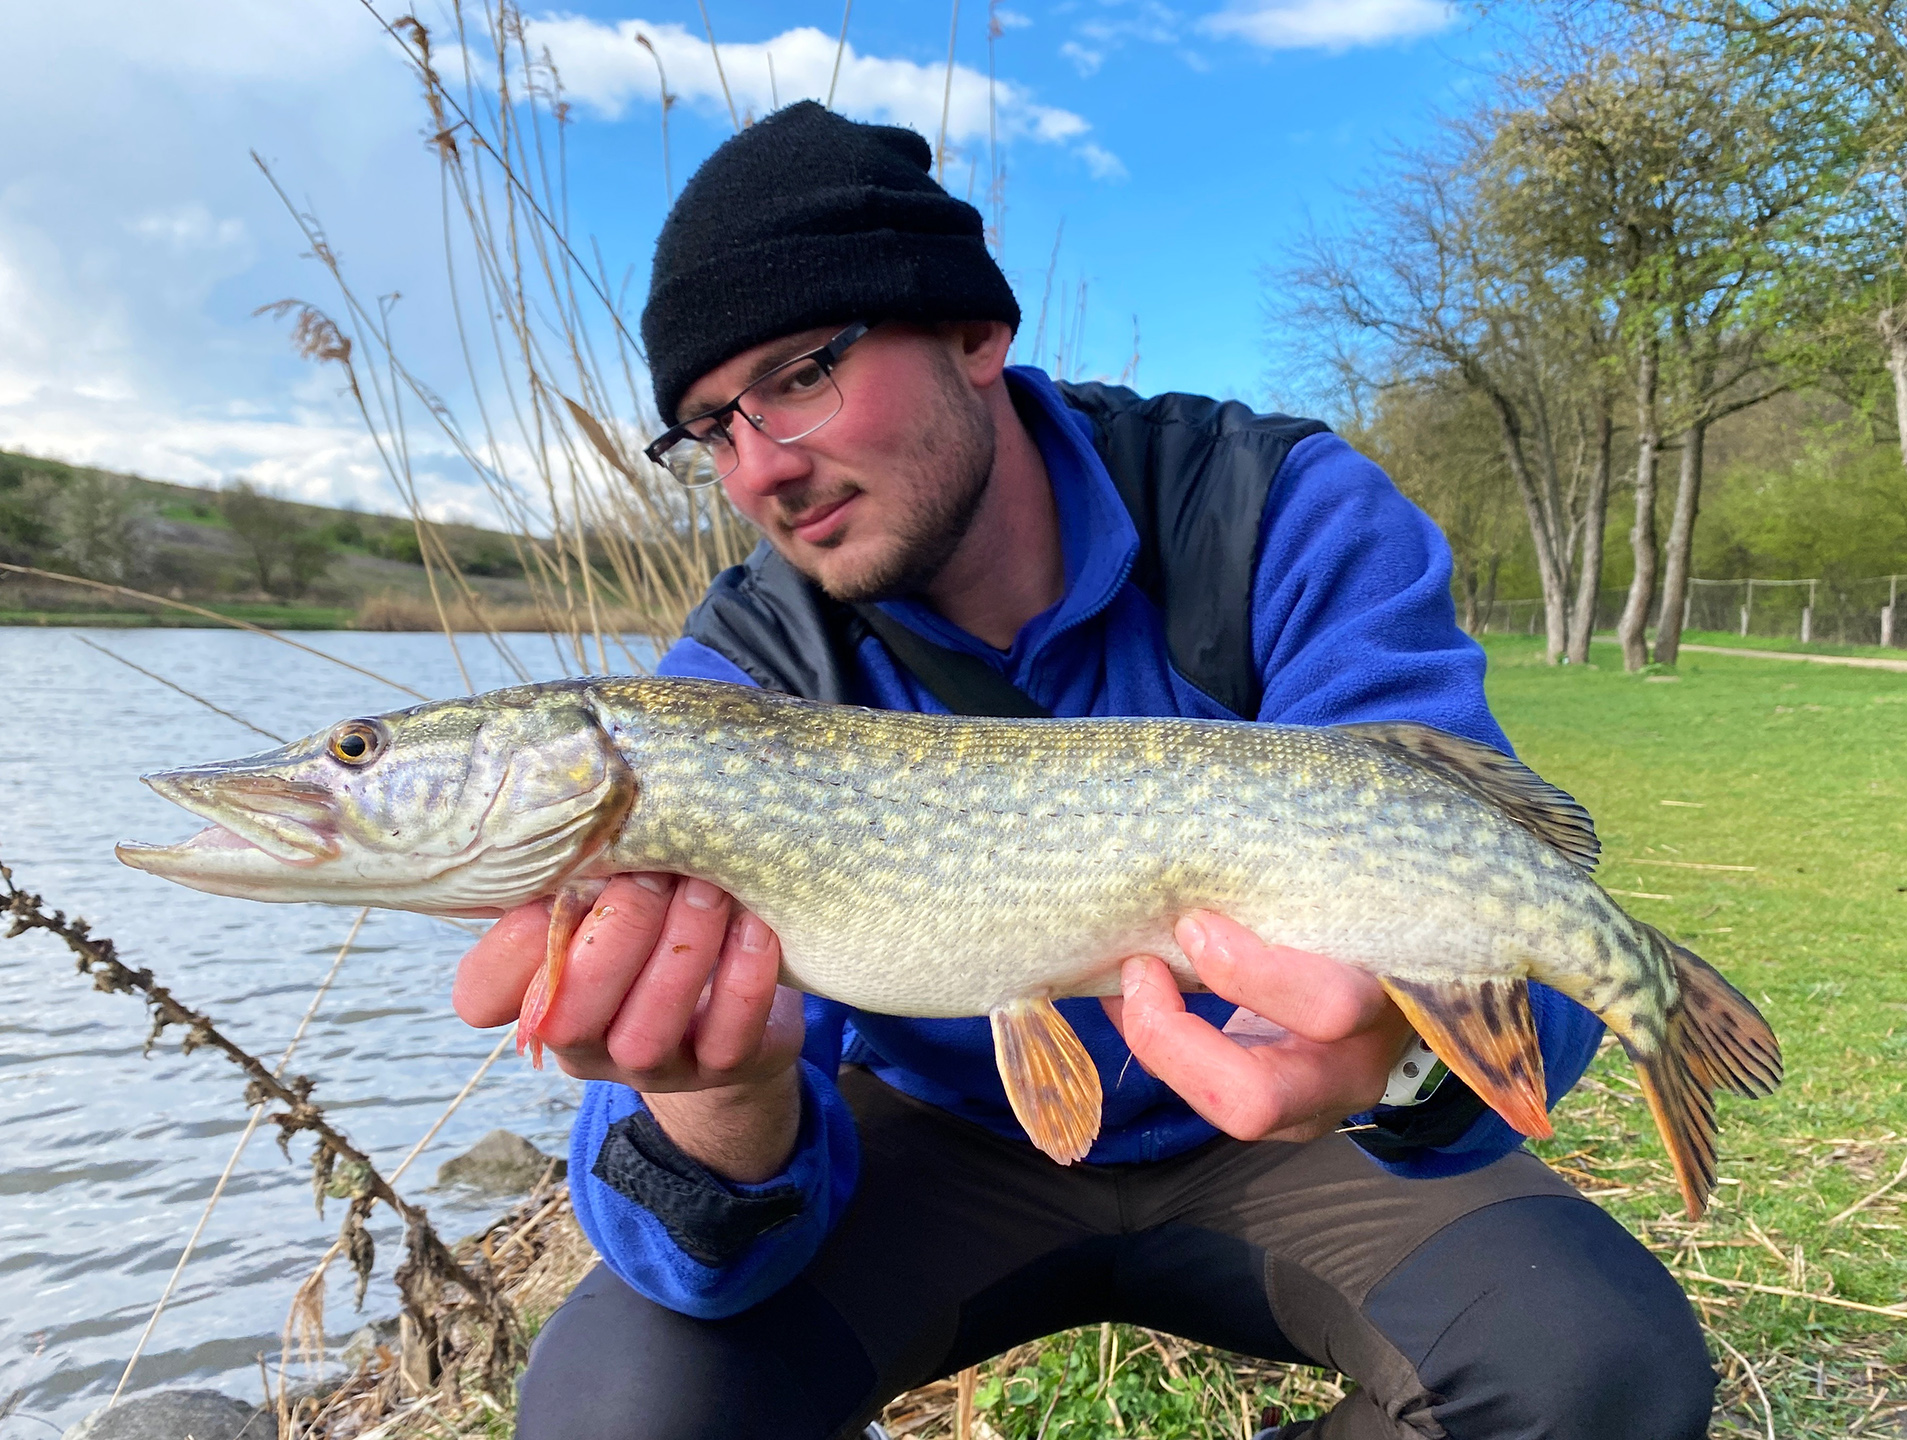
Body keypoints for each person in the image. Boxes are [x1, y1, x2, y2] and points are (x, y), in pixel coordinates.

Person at [452, 102, 1715, 1439]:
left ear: (974, 333)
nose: (761, 465)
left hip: (1275, 1142)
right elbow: (694, 1261)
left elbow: (1503, 923)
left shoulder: (1273, 512)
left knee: (1599, 1372)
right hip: (934, 1148)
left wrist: (1392, 1057)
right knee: (616, 1415)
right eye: (711, 429)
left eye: (805, 373)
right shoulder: (738, 678)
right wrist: (719, 1102)